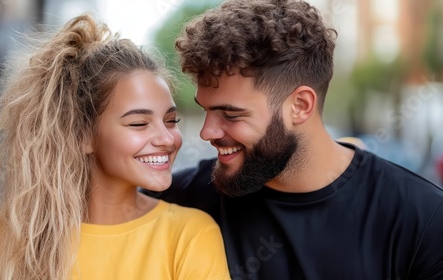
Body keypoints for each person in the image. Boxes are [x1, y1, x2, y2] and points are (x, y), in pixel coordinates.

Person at [143, 0, 443, 279]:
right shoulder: (180, 201)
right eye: (206, 110)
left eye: (231, 114)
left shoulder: (422, 219)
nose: (207, 132)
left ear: (300, 106)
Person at [0, 14, 230, 280]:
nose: (168, 139)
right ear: (82, 134)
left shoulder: (191, 237)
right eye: (139, 124)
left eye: (171, 120)